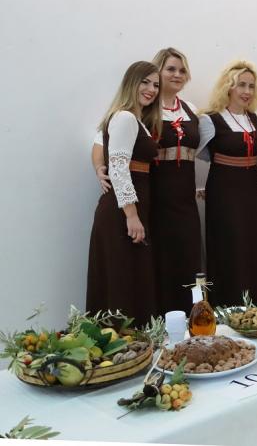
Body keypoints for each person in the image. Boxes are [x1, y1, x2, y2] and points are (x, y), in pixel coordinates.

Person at [93, 48, 202, 312]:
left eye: (182, 70)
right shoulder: (135, 114)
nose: (176, 74)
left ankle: (190, 319)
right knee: (149, 264)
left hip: (183, 198)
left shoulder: (191, 110)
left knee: (186, 257)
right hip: (153, 196)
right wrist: (99, 169)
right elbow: (103, 145)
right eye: (170, 69)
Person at [86, 61, 162, 325]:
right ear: (131, 82)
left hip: (130, 209)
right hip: (121, 213)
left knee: (131, 278)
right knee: (121, 281)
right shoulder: (125, 117)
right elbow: (119, 168)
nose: (151, 89)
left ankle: (133, 342)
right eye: (145, 82)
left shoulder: (136, 120)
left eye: (156, 85)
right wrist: (131, 214)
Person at [197, 60, 257, 307]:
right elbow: (198, 152)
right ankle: (228, 305)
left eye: (251, 86)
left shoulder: (254, 119)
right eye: (241, 85)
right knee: (229, 245)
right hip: (224, 191)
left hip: (251, 190)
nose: (247, 91)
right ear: (228, 87)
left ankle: (254, 306)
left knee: (251, 245)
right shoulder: (210, 120)